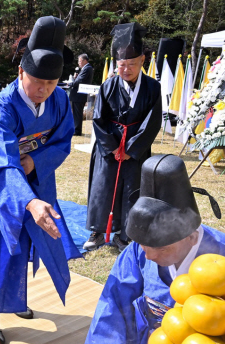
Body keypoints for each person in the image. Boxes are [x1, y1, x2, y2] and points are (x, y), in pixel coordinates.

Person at [81, 155, 225, 344]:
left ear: (192, 237)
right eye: (143, 246)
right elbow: (114, 305)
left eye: (160, 248)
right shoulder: (140, 248)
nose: (147, 256)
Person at [0, 16, 81, 344]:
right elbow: (1, 161)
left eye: (52, 82)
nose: (44, 89)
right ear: (21, 72)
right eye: (36, 81)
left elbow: (62, 142)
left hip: (33, 176)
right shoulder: (2, 106)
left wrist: (35, 161)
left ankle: (15, 299)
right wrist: (28, 201)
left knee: (26, 243)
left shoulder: (59, 100)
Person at [84, 22, 162, 253]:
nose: (126, 69)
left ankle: (127, 234)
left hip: (136, 147)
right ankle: (98, 231)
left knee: (132, 189)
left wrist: (130, 148)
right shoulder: (108, 86)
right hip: (109, 147)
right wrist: (112, 146)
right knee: (103, 186)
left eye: (131, 64)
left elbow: (152, 122)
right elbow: (98, 119)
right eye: (121, 65)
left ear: (142, 62)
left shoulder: (153, 88)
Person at [70, 54, 94, 136]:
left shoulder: (87, 68)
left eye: (79, 61)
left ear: (85, 61)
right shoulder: (85, 69)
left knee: (77, 113)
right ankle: (75, 129)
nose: (78, 63)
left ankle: (77, 131)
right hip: (78, 95)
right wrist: (75, 77)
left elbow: (80, 81)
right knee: (76, 113)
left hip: (79, 95)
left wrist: (70, 83)